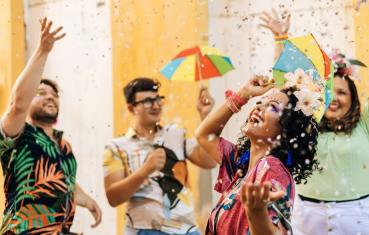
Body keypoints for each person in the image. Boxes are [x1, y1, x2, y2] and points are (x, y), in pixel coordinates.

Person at [261, 6, 369, 235]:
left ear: (354, 99)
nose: (334, 99)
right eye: (329, 92)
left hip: (359, 219)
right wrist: (280, 39)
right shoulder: (305, 125)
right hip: (306, 218)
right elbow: (284, 90)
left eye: (342, 93)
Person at [0, 18, 102, 234]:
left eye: (54, 95)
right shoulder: (17, 133)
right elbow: (17, 104)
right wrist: (42, 50)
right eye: (41, 93)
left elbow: (61, 181)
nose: (50, 98)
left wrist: (87, 200)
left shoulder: (63, 145)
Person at [195, 73, 322, 234]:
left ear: (287, 129)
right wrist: (243, 94)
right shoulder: (241, 165)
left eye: (273, 107)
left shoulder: (272, 169)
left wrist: (257, 213)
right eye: (260, 102)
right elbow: (205, 135)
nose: (259, 107)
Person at [103, 78, 217, 235]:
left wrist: (206, 116)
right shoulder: (116, 147)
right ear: (131, 108)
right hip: (144, 229)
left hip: (186, 229)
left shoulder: (176, 135)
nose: (156, 105)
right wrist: (145, 170)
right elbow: (113, 197)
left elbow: (209, 161)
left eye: (158, 99)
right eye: (148, 102)